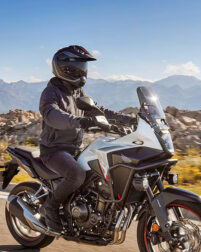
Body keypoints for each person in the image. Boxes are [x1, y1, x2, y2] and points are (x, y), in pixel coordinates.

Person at [38, 45, 136, 232]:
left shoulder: (77, 92)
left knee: (100, 173)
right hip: (54, 150)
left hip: (75, 148)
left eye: (84, 67)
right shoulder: (51, 93)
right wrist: (81, 122)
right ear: (65, 68)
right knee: (76, 174)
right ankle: (50, 207)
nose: (84, 72)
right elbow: (53, 116)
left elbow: (100, 110)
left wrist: (129, 119)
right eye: (80, 67)